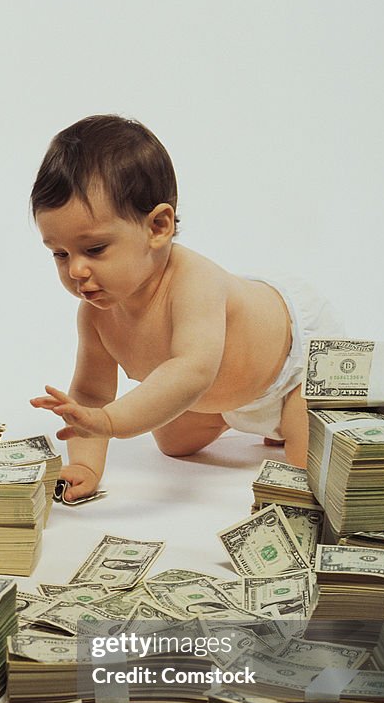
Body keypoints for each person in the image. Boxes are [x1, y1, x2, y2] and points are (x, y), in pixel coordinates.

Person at [30, 115, 343, 500]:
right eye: (60, 254)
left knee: (300, 478)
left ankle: (283, 420)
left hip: (294, 367)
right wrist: (85, 463)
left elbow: (192, 370)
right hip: (218, 395)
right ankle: (235, 417)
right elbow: (92, 394)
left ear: (157, 227)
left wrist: (111, 422)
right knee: (172, 442)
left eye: (94, 249)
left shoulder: (195, 283)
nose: (76, 269)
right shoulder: (96, 315)